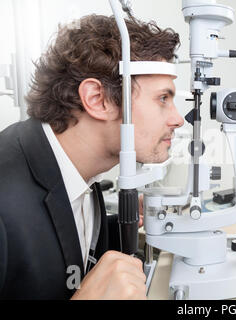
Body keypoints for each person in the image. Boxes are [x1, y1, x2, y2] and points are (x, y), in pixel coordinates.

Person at [0, 14, 184, 299]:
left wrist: (122, 220)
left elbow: (57, 241)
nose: (178, 119)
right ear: (98, 100)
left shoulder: (79, 172)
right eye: (163, 98)